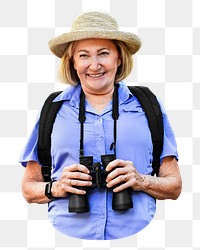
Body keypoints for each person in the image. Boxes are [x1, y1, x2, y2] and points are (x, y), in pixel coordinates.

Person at [19, 11, 182, 240]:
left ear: (119, 58)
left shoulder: (148, 106)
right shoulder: (53, 109)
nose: (94, 65)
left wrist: (141, 180)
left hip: (139, 238)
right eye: (84, 55)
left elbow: (174, 185)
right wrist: (57, 187)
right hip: (65, 238)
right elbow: (29, 187)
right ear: (73, 62)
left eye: (103, 53)